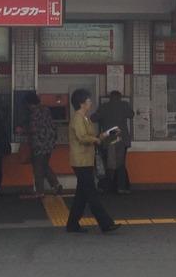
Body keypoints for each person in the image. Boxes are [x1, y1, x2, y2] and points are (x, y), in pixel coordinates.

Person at [65, 88, 119, 234]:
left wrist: (105, 134)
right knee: (91, 193)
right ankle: (106, 224)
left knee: (81, 195)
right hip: (80, 161)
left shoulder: (85, 118)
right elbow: (82, 138)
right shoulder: (78, 118)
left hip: (85, 160)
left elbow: (90, 136)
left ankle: (72, 224)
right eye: (88, 100)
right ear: (81, 103)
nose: (90, 102)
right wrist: (96, 140)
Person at [92, 90, 134, 195]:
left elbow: (93, 118)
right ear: (120, 97)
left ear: (110, 97)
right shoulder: (124, 105)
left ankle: (108, 187)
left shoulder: (104, 106)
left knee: (109, 164)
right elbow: (131, 114)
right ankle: (121, 187)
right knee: (121, 163)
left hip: (109, 139)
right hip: (122, 139)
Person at [23, 92, 62, 196]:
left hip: (39, 144)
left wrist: (24, 130)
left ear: (29, 103)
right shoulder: (46, 110)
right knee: (44, 165)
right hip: (49, 143)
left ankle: (40, 191)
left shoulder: (33, 113)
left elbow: (33, 129)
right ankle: (56, 185)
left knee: (38, 168)